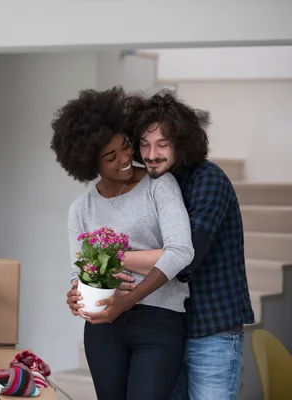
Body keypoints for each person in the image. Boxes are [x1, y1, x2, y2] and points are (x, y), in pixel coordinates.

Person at [52, 86, 195, 400]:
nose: (126, 158)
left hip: (159, 322)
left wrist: (127, 300)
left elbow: (181, 250)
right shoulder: (81, 209)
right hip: (103, 328)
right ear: (90, 163)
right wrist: (75, 294)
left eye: (125, 147)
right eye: (110, 156)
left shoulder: (160, 186)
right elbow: (81, 270)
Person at [115, 91, 254, 399]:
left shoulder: (208, 180)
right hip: (166, 327)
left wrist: (116, 256)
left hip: (211, 328)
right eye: (145, 144)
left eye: (162, 144)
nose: (152, 154)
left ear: (182, 143)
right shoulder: (150, 185)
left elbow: (186, 258)